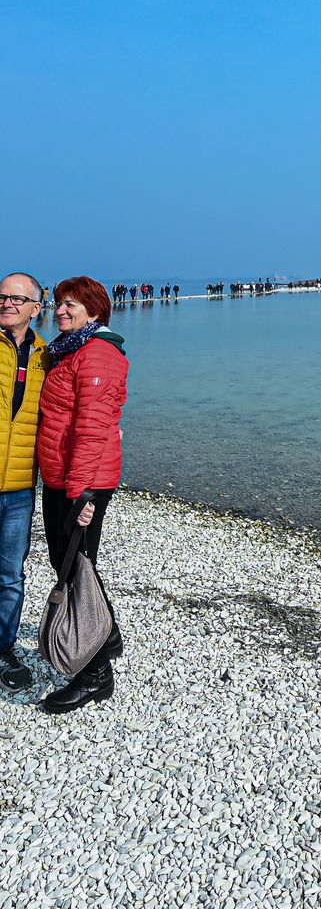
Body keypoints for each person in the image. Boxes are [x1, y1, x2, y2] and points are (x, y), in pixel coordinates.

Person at [36, 276, 129, 714]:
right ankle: (106, 637)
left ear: (95, 311)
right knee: (74, 562)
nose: (60, 311)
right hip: (63, 476)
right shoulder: (70, 350)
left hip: (80, 481)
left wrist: (83, 493)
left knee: (73, 566)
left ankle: (94, 677)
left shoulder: (97, 352)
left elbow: (92, 429)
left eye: (70, 304)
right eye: (57, 303)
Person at [0, 273, 48, 692]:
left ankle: (4, 648)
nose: (7, 303)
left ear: (36, 307)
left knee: (10, 575)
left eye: (17, 297)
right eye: (2, 296)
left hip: (18, 488)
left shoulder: (46, 356)